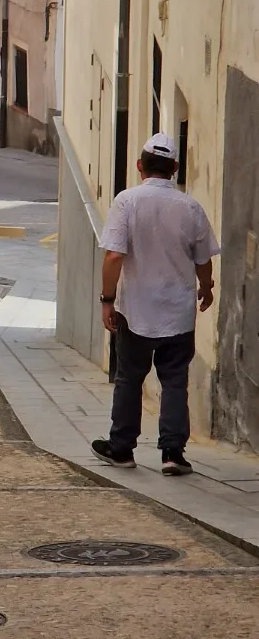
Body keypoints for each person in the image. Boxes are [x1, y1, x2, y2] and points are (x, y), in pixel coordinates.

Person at [91, 133, 219, 476]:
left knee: (129, 378)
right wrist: (206, 287)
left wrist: (106, 300)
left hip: (134, 309)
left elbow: (114, 255)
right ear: (175, 168)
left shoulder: (126, 201)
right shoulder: (190, 206)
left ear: (139, 166)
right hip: (178, 312)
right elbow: (203, 259)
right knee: (175, 380)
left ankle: (121, 449)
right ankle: (173, 453)